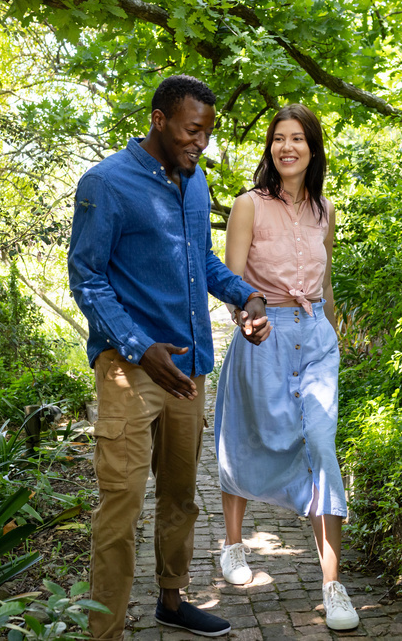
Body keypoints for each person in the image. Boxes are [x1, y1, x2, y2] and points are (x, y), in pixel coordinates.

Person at [68, 74, 271, 640]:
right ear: (159, 120)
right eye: (191, 131)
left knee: (181, 495)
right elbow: (86, 279)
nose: (200, 143)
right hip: (129, 370)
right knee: (122, 504)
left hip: (188, 369)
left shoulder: (195, 179)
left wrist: (245, 295)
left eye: (206, 133)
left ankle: (172, 601)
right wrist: (138, 347)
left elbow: (200, 260)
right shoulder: (106, 183)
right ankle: (104, 632)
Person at [213, 104, 360, 631]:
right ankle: (233, 546)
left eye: (297, 138)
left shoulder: (326, 210)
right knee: (244, 435)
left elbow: (325, 283)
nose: (287, 147)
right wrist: (246, 319)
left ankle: (333, 586)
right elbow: (232, 281)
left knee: (321, 445)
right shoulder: (248, 205)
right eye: (279, 138)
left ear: (312, 148)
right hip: (263, 334)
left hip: (315, 338)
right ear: (270, 148)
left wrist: (333, 332)